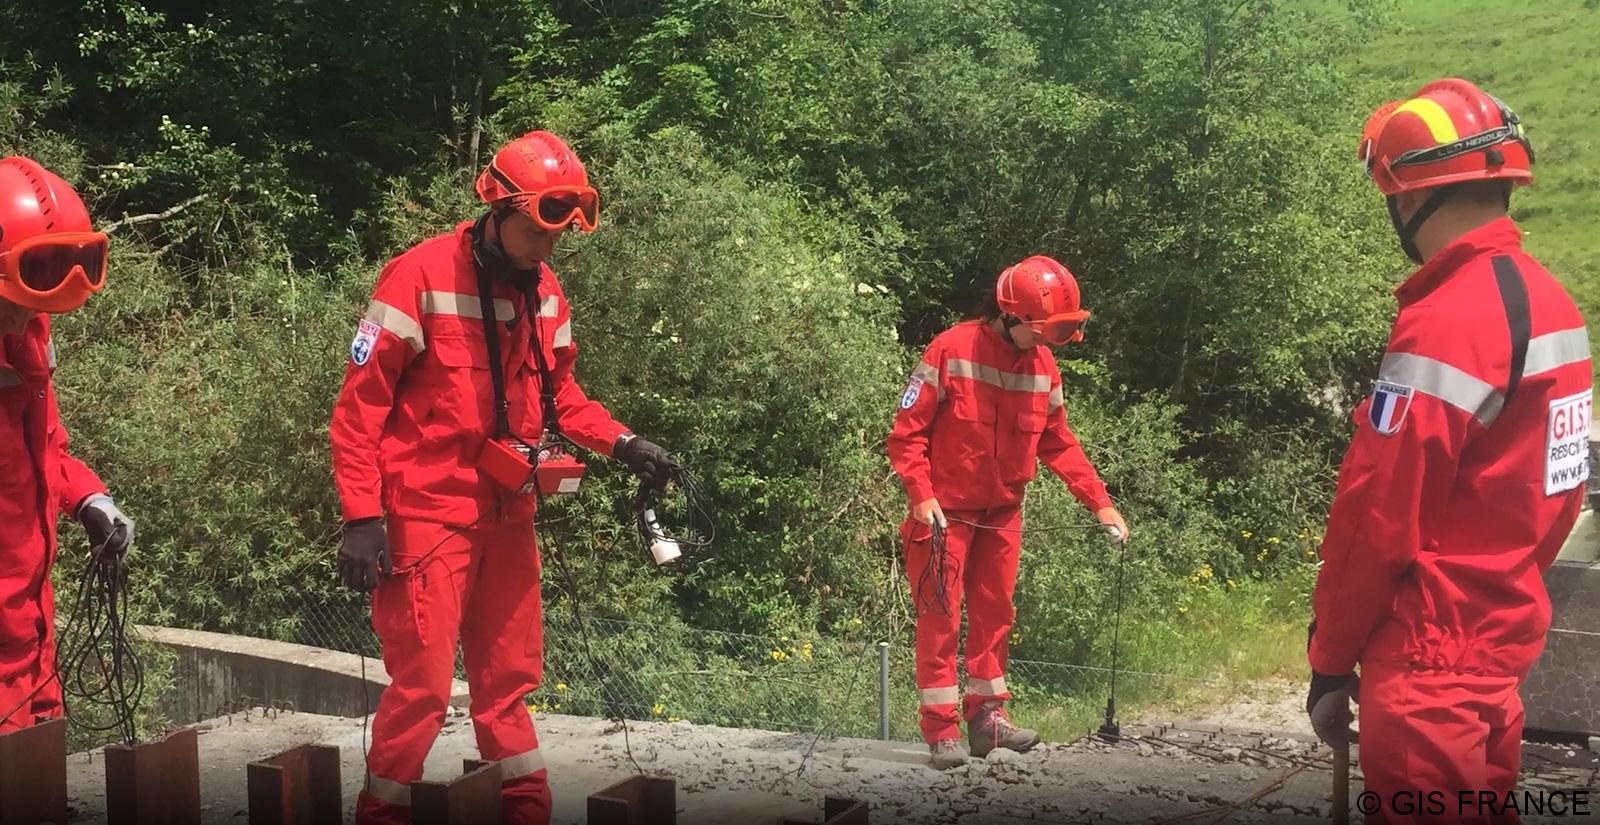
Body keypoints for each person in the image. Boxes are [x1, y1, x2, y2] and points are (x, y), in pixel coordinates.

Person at [329, 130, 680, 825]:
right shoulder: (420, 276)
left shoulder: (543, 289)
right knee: (422, 690)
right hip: (427, 514)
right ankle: (382, 814)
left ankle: (525, 811)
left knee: (508, 686)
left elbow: (562, 396)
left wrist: (625, 442)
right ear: (498, 207)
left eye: (558, 236)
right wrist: (362, 516)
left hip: (509, 512)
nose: (547, 249)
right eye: (537, 232)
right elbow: (358, 409)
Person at [1307, 78, 1590, 823]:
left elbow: (1377, 513)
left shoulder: (1445, 321)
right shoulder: (1555, 307)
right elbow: (1562, 490)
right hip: (1498, 648)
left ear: (1409, 198)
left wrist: (1330, 657)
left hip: (1428, 664)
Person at [888, 255, 1128, 769]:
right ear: (1011, 315)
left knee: (996, 614)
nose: (1048, 343)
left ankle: (988, 721)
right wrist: (921, 494)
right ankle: (941, 731)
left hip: (1002, 515)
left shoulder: (1043, 367)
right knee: (941, 617)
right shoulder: (950, 350)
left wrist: (1100, 503)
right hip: (943, 515)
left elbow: (1059, 443)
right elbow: (906, 435)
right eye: (1043, 331)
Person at [0, 155, 135, 733]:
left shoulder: (27, 331)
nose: (32, 315)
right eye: (22, 300)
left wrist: (89, 499)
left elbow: (47, 449)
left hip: (31, 639)